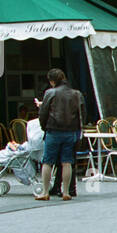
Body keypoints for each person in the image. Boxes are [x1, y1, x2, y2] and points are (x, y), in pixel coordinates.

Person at [36, 69, 85, 201]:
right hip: (70, 132)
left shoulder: (50, 93)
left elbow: (43, 113)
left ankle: (45, 192)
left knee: (47, 162)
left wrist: (44, 127)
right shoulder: (76, 94)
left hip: (53, 130)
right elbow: (82, 114)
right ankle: (66, 192)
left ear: (52, 81)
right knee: (67, 162)